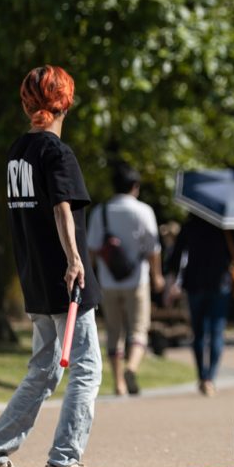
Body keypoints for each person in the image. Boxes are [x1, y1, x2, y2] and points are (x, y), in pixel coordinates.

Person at [0, 65, 111, 467]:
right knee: (86, 367)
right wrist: (74, 260)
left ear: (26, 104)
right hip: (65, 278)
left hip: (34, 275)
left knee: (45, 369)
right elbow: (61, 208)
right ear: (66, 102)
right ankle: (65, 459)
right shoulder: (57, 152)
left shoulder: (18, 152)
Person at [88, 161, 163, 396]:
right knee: (139, 328)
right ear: (135, 186)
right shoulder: (143, 211)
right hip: (137, 279)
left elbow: (91, 248)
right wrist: (157, 276)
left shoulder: (100, 211)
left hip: (108, 280)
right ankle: (132, 367)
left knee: (114, 331)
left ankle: (119, 382)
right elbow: (153, 249)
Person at [164, 215, 232, 395]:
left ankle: (202, 377)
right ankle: (211, 378)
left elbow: (176, 257)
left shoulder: (190, 226)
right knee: (216, 332)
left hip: (195, 284)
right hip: (219, 284)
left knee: (199, 332)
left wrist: (171, 281)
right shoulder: (223, 225)